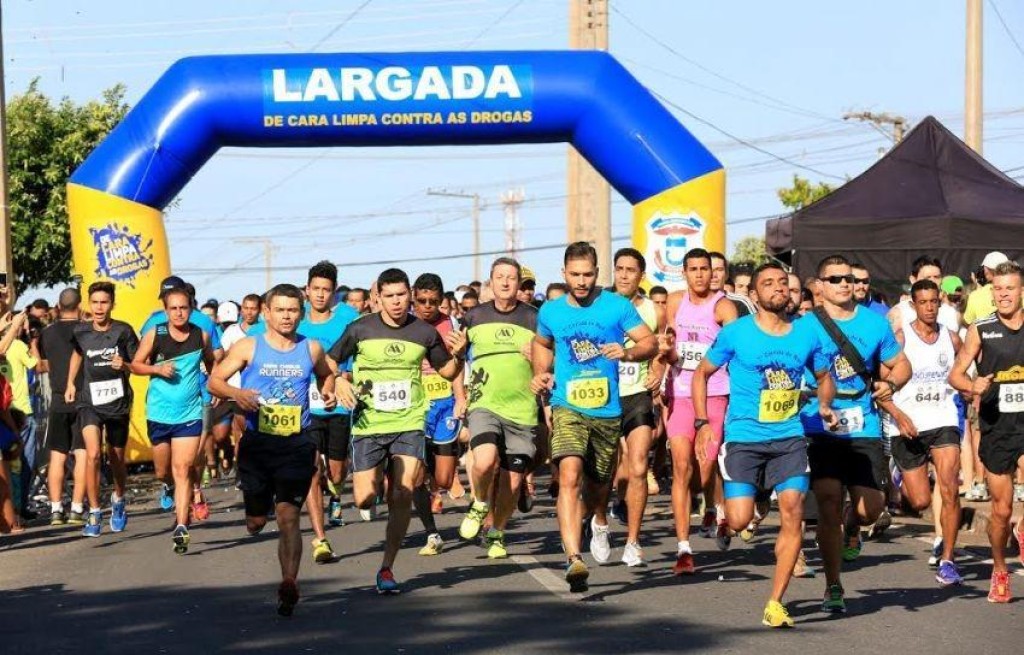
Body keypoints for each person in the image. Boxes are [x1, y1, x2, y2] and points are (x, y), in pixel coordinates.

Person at [693, 262, 837, 628]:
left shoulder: (806, 335)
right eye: (768, 284)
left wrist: (823, 404)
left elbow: (824, 376)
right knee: (741, 519)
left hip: (788, 438)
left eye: (783, 284)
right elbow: (702, 373)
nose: (778, 288)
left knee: (792, 508)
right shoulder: (737, 333)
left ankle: (776, 601)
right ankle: (739, 511)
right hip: (744, 438)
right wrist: (703, 422)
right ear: (754, 295)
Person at [331, 268, 467, 594]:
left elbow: (448, 371)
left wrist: (460, 353)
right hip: (369, 424)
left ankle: (387, 568)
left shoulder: (424, 332)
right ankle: (374, 486)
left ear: (410, 295)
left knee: (403, 492)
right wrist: (336, 380)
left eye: (401, 295)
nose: (396, 302)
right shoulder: (360, 328)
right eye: (389, 296)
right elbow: (331, 361)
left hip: (408, 423)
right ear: (378, 297)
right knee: (365, 497)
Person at [530, 242, 656, 592]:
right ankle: (574, 559)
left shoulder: (616, 306)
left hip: (608, 410)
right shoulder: (551, 311)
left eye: (588, 274)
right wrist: (540, 371)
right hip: (567, 405)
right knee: (569, 474)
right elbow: (541, 344)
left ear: (598, 274)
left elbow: (651, 343)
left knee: (599, 483)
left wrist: (627, 352)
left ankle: (599, 519)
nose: (582, 281)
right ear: (563, 274)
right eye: (575, 275)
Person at [208, 283, 337, 616]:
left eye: (293, 310)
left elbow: (327, 375)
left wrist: (329, 392)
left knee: (289, 517)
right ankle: (256, 510)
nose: (286, 316)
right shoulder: (249, 346)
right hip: (257, 443)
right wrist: (238, 395)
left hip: (297, 442)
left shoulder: (311, 349)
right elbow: (214, 381)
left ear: (301, 313)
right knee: (255, 523)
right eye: (279, 310)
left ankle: (289, 582)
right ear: (266, 313)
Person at [800, 254, 911, 614]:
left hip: (863, 421)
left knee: (869, 510)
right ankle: (834, 585)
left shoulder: (874, 324)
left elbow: (901, 363)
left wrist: (891, 383)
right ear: (819, 286)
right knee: (828, 502)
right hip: (820, 423)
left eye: (848, 278)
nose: (844, 284)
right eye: (835, 279)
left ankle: (854, 525)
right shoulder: (805, 326)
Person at [949, 260, 1024, 603]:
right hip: (997, 426)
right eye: (999, 289)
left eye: (1010, 288)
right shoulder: (981, 328)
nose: (1004, 294)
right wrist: (973, 385)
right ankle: (999, 570)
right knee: (1002, 509)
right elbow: (956, 375)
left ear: (1021, 291)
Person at [662, 248, 738, 573]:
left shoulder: (723, 307)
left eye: (704, 269)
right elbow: (669, 342)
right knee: (681, 466)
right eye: (692, 269)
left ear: (713, 273)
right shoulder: (675, 301)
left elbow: (737, 349)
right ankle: (683, 549)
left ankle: (713, 504)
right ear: (685, 272)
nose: (699, 275)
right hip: (679, 394)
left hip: (714, 396)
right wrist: (663, 358)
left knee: (703, 470)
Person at [884, 279, 964, 586]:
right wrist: (899, 416)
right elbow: (882, 387)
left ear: (939, 303)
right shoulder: (901, 339)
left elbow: (961, 374)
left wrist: (971, 389)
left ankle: (948, 558)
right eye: (923, 302)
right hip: (908, 425)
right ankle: (900, 472)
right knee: (917, 502)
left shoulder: (952, 339)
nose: (929, 307)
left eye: (934, 302)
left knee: (949, 490)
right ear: (913, 305)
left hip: (943, 420)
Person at [458, 258, 538, 559]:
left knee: (513, 481)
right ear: (491, 282)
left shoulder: (534, 317)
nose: (505, 283)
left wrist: (538, 357)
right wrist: (460, 396)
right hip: (484, 403)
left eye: (512, 278)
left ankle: (497, 532)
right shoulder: (474, 316)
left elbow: (551, 360)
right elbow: (455, 361)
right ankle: (479, 502)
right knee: (483, 462)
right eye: (499, 277)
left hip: (522, 408)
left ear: (519, 283)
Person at [132, 286, 217, 553]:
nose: (179, 313)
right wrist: (157, 369)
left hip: (189, 414)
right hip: (159, 413)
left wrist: (214, 387)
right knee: (162, 471)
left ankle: (181, 526)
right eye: (174, 308)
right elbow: (135, 364)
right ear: (165, 310)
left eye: (184, 307)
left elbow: (212, 362)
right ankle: (166, 487)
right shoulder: (154, 334)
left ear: (190, 308)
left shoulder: (200, 335)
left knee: (183, 469)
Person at [604, 248, 664, 567]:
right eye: (620, 268)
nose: (624, 274)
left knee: (639, 463)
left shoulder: (654, 310)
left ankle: (633, 541)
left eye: (631, 270)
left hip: (637, 394)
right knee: (603, 468)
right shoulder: (601, 305)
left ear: (641, 275)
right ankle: (600, 519)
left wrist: (657, 373)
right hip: (602, 395)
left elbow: (662, 348)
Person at [65, 282, 139, 538]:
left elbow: (139, 364)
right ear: (89, 304)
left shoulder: (123, 331)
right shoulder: (81, 331)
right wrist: (70, 384)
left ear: (112, 304)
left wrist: (125, 364)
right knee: (93, 454)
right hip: (89, 402)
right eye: (95, 302)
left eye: (104, 302)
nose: (99, 307)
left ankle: (119, 498)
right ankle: (95, 510)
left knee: (116, 458)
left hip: (117, 403)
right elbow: (77, 354)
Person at [410, 273, 466, 556]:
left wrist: (461, 397)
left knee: (443, 479)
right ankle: (431, 532)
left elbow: (458, 363)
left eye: (433, 301)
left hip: (444, 402)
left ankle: (436, 484)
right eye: (421, 301)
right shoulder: (404, 324)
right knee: (417, 475)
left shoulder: (451, 324)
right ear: (413, 298)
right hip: (414, 406)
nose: (427, 306)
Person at [39, 288, 87, 526]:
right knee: (83, 455)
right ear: (80, 306)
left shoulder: (46, 334)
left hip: (58, 399)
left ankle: (56, 509)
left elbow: (41, 364)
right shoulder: (86, 331)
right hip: (83, 398)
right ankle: (77, 508)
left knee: (56, 457)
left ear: (57, 307)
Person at [887, 256, 958, 331]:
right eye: (927, 277)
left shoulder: (951, 312)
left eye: (937, 277)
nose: (933, 281)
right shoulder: (900, 313)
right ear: (913, 280)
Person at [963, 251, 1009, 325]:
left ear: (986, 270)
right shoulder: (1019, 292)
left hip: (986, 335)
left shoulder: (976, 296)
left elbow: (968, 322)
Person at [709, 252, 757, 317]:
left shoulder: (742, 303)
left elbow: (755, 326)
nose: (714, 275)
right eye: (709, 269)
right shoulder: (692, 303)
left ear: (726, 274)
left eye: (719, 270)